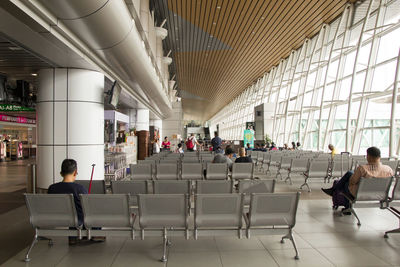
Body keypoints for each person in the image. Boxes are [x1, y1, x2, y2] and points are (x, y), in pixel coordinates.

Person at [48, 159, 105, 244]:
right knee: (88, 211)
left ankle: (73, 236)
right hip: (77, 219)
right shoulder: (80, 189)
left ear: (61, 173)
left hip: (57, 218)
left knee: (74, 213)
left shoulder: (52, 188)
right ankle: (95, 233)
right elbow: (88, 207)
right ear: (75, 172)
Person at [321, 147, 393, 214]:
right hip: (380, 194)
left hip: (360, 194)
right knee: (349, 174)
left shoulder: (362, 169)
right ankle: (335, 192)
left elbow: (352, 181)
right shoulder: (388, 169)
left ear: (369, 156)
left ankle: (342, 201)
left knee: (346, 183)